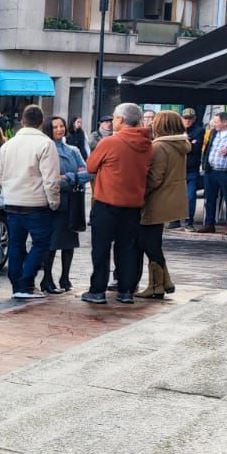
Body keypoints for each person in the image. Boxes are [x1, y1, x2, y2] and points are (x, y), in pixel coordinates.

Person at [81, 103, 152, 305]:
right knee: (127, 247)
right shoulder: (147, 144)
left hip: (107, 201)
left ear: (121, 120)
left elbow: (91, 165)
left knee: (101, 247)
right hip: (133, 203)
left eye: (114, 117)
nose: (112, 121)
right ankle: (126, 290)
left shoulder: (110, 142)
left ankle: (97, 290)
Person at [0, 105, 61, 299]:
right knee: (41, 243)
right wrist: (54, 202)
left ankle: (17, 283)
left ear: (22, 121)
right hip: (37, 203)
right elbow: (51, 179)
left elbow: (1, 174)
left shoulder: (8, 144)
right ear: (41, 122)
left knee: (16, 244)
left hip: (13, 201)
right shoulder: (46, 144)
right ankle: (25, 282)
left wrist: (7, 194)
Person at [139, 111, 190, 299]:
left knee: (149, 243)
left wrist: (139, 194)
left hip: (156, 200)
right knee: (154, 242)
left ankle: (156, 285)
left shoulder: (160, 146)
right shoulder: (180, 145)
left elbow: (154, 177)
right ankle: (163, 281)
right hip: (170, 199)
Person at [39, 116, 91, 294]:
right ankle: (47, 278)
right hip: (52, 201)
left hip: (73, 201)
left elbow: (87, 173)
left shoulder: (73, 150)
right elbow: (49, 179)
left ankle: (65, 277)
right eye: (55, 127)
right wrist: (69, 176)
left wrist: (69, 177)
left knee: (69, 242)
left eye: (61, 126)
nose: (60, 129)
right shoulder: (46, 148)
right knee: (52, 243)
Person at [196, 112, 227, 235]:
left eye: (216, 122)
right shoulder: (214, 132)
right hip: (211, 170)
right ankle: (209, 223)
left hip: (226, 171)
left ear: (225, 122)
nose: (213, 124)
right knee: (209, 198)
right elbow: (208, 149)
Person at [179, 108, 204, 231]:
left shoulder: (199, 130)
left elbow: (195, 149)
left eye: (190, 118)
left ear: (194, 119)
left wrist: (183, 142)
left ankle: (189, 222)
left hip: (192, 169)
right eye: (185, 118)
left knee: (190, 196)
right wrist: (189, 141)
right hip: (177, 169)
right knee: (175, 196)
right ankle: (175, 220)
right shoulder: (176, 130)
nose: (187, 120)